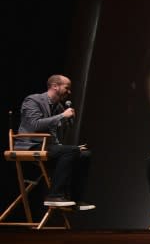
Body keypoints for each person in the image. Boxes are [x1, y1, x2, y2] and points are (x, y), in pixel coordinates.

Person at [15, 74, 94, 210]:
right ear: (55, 86)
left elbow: (57, 134)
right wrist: (63, 116)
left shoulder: (58, 107)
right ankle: (54, 195)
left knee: (85, 154)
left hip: (48, 146)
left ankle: (75, 199)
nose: (69, 92)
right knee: (72, 151)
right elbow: (35, 125)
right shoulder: (33, 100)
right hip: (30, 145)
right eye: (67, 88)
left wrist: (66, 123)